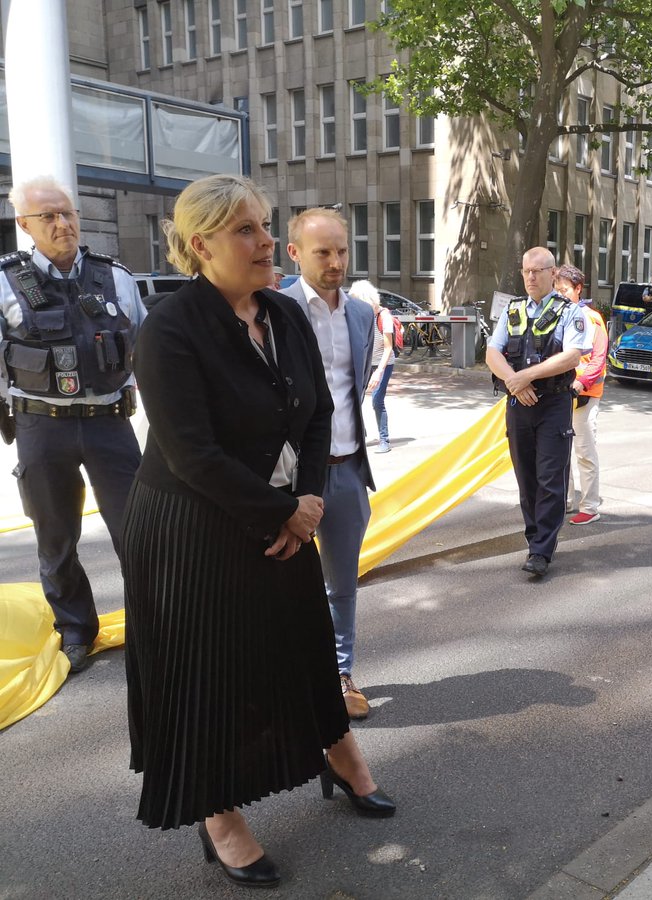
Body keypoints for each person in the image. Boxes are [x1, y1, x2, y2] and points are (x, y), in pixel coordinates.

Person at [123, 175, 393, 889]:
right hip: (191, 527)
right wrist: (287, 514)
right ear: (200, 244)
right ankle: (220, 815)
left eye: (266, 226)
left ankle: (342, 757)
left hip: (280, 512)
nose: (267, 241)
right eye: (247, 230)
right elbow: (192, 453)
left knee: (303, 646)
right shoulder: (171, 328)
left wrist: (305, 498)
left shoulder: (282, 311)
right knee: (211, 673)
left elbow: (316, 413)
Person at [0, 175, 145, 674]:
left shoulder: (115, 278)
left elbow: (145, 348)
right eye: (48, 216)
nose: (63, 224)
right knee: (55, 537)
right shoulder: (4, 280)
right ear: (24, 224)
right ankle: (77, 630)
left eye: (68, 213)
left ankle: (153, 624)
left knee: (140, 531)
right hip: (42, 427)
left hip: (110, 424)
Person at [282, 210, 378, 720]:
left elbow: (352, 392)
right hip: (286, 477)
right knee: (279, 585)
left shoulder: (361, 314)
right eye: (324, 252)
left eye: (342, 250)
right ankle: (287, 677)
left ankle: (340, 676)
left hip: (346, 472)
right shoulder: (274, 309)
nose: (337, 261)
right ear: (295, 253)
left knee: (341, 585)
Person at [485, 246, 591, 577]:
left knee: (549, 478)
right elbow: (492, 352)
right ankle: (535, 539)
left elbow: (572, 356)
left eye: (538, 271)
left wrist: (525, 377)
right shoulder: (512, 310)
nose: (531, 276)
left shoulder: (570, 312)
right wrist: (515, 383)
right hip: (520, 403)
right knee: (526, 478)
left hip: (553, 404)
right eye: (526, 271)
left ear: (552, 273)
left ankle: (541, 549)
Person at [553, 264, 607, 525]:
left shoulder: (592, 318)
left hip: (584, 393)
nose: (561, 294)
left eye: (565, 290)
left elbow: (598, 358)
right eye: (557, 289)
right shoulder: (557, 314)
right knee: (561, 451)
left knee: (584, 451)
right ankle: (564, 500)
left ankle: (590, 505)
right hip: (561, 392)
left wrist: (581, 383)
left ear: (577, 289)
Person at [348, 280, 395, 454]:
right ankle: (359, 435)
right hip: (367, 363)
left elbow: (388, 348)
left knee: (377, 400)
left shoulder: (383, 316)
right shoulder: (361, 316)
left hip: (383, 363)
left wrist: (378, 373)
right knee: (355, 399)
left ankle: (384, 439)